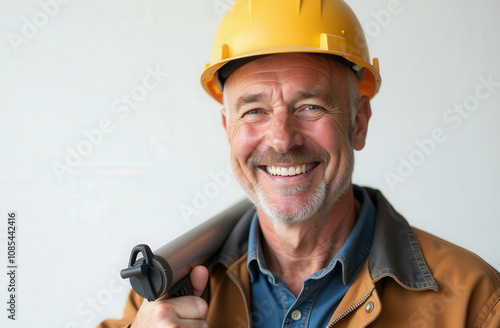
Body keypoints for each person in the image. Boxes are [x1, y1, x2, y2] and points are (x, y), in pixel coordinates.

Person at [98, 0, 500, 327]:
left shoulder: (473, 302)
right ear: (228, 129)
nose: (281, 138)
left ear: (359, 123)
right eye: (254, 111)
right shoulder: (165, 291)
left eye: (310, 106)